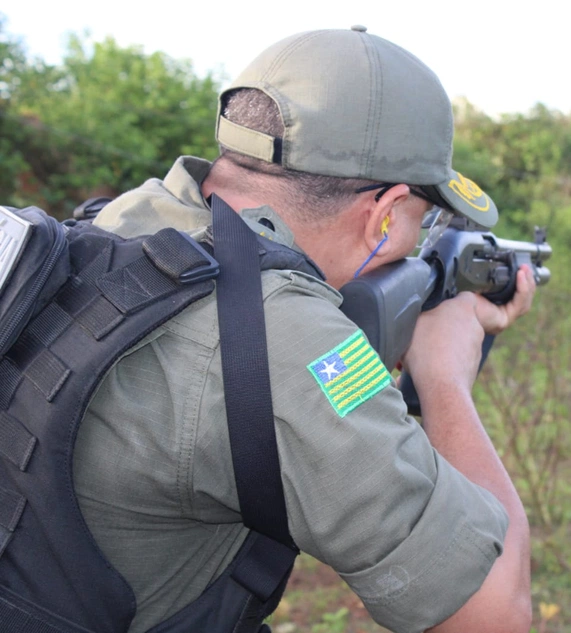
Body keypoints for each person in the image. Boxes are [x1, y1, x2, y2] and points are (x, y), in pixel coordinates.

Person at [72, 27, 535, 633]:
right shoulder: (288, 340)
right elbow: (493, 615)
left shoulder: (102, 230)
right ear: (388, 213)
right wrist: (444, 375)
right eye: (420, 224)